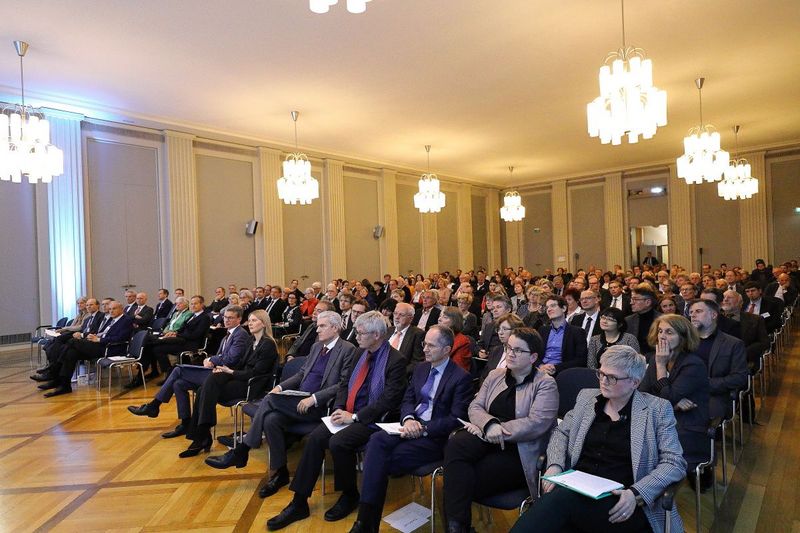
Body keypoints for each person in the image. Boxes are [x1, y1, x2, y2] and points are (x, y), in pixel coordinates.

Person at [514, 346, 687, 533]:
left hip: (622, 502)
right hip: (578, 488)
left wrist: (636, 493)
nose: (603, 381)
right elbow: (561, 433)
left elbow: (674, 462)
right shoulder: (587, 398)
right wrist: (555, 464)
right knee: (560, 500)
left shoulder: (657, 409)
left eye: (611, 377)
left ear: (635, 382)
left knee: (558, 500)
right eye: (601, 373)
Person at [266, 311, 406, 531]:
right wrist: (340, 407)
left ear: (377, 335)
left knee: (338, 443)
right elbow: (344, 385)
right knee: (314, 439)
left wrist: (355, 417)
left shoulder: (396, 360)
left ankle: (349, 494)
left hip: (372, 420)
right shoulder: (360, 353)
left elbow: (389, 400)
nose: (356, 336)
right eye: (357, 332)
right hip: (346, 412)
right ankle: (299, 502)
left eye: (361, 333)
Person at [205, 311, 356, 494]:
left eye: (322, 326)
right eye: (317, 325)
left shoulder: (347, 349)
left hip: (320, 405)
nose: (317, 329)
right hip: (297, 399)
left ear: (335, 327)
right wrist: (281, 387)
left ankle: (241, 450)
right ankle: (280, 472)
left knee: (269, 400)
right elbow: (301, 374)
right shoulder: (317, 347)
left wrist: (313, 399)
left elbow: (343, 384)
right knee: (271, 419)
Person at [350, 326, 473, 533]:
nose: (424, 349)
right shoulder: (421, 368)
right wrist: (407, 419)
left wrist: (423, 428)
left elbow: (456, 419)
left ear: (446, 350)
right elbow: (408, 399)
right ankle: (365, 522)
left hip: (434, 438)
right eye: (424, 343)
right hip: (408, 427)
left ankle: (365, 523)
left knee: (377, 459)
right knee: (377, 440)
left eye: (431, 345)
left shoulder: (460, 377)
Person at [443, 328, 558, 533]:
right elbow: (475, 406)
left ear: (533, 357)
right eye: (508, 348)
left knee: (459, 480)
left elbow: (537, 423)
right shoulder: (496, 375)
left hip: (519, 451)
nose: (510, 354)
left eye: (518, 350)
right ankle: (457, 528)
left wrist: (498, 429)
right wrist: (489, 425)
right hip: (488, 436)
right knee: (456, 443)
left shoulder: (545, 384)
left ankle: (456, 527)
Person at [127, 305, 250, 438]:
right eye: (225, 317)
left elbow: (232, 359)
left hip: (225, 376)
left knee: (178, 369)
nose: (226, 320)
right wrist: (212, 359)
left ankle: (154, 405)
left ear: (239, 319)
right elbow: (224, 356)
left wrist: (212, 359)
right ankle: (185, 423)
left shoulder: (240, 335)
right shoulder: (229, 334)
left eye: (231, 318)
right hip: (217, 371)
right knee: (178, 384)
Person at [179, 309, 279, 458]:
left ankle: (202, 436)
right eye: (249, 321)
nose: (250, 324)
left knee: (203, 390)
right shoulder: (252, 341)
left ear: (264, 324)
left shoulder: (268, 344)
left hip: (252, 385)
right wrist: (223, 370)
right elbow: (240, 365)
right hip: (240, 379)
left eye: (254, 321)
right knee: (208, 383)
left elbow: (255, 373)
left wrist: (230, 372)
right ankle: (202, 434)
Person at [639, 315, 711, 487]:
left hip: (687, 424)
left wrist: (661, 367)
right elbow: (643, 394)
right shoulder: (656, 359)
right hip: (661, 418)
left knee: (655, 450)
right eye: (660, 331)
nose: (662, 336)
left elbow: (665, 400)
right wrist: (675, 403)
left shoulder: (693, 364)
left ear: (683, 337)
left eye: (669, 332)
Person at [39, 300, 135, 397]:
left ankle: (53, 370)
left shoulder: (126, 320)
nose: (111, 311)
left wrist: (99, 339)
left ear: (121, 309)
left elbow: (121, 338)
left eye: (114, 309)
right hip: (98, 345)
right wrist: (93, 336)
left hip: (110, 349)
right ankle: (64, 384)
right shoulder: (110, 319)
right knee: (71, 353)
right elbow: (100, 332)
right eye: (110, 309)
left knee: (72, 341)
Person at [689, 299, 748, 419]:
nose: (693, 315)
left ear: (713, 315)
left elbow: (739, 377)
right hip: (684, 392)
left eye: (698, 311)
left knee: (698, 421)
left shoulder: (733, 343)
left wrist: (705, 384)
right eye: (690, 312)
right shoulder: (684, 342)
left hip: (714, 395)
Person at [538, 295, 588, 376]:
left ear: (564, 308)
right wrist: (541, 366)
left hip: (562, 373)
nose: (549, 309)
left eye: (553, 306)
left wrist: (556, 368)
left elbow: (581, 360)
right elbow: (533, 354)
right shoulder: (542, 330)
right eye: (547, 307)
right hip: (540, 371)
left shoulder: (577, 332)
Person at [478, 313, 524, 381]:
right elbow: (484, 376)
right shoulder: (496, 350)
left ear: (516, 330)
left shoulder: (522, 353)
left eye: (504, 329)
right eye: (499, 329)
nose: (500, 332)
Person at [386, 302, 426, 374]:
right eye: (395, 313)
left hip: (399, 376)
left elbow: (417, 362)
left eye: (401, 315)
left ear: (411, 318)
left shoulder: (418, 334)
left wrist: (399, 373)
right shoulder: (388, 330)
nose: (397, 317)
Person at [437, 306, 473, 373]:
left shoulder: (462, 342)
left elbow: (458, 370)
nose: (439, 319)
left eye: (445, 317)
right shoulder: (435, 336)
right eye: (440, 316)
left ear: (454, 321)